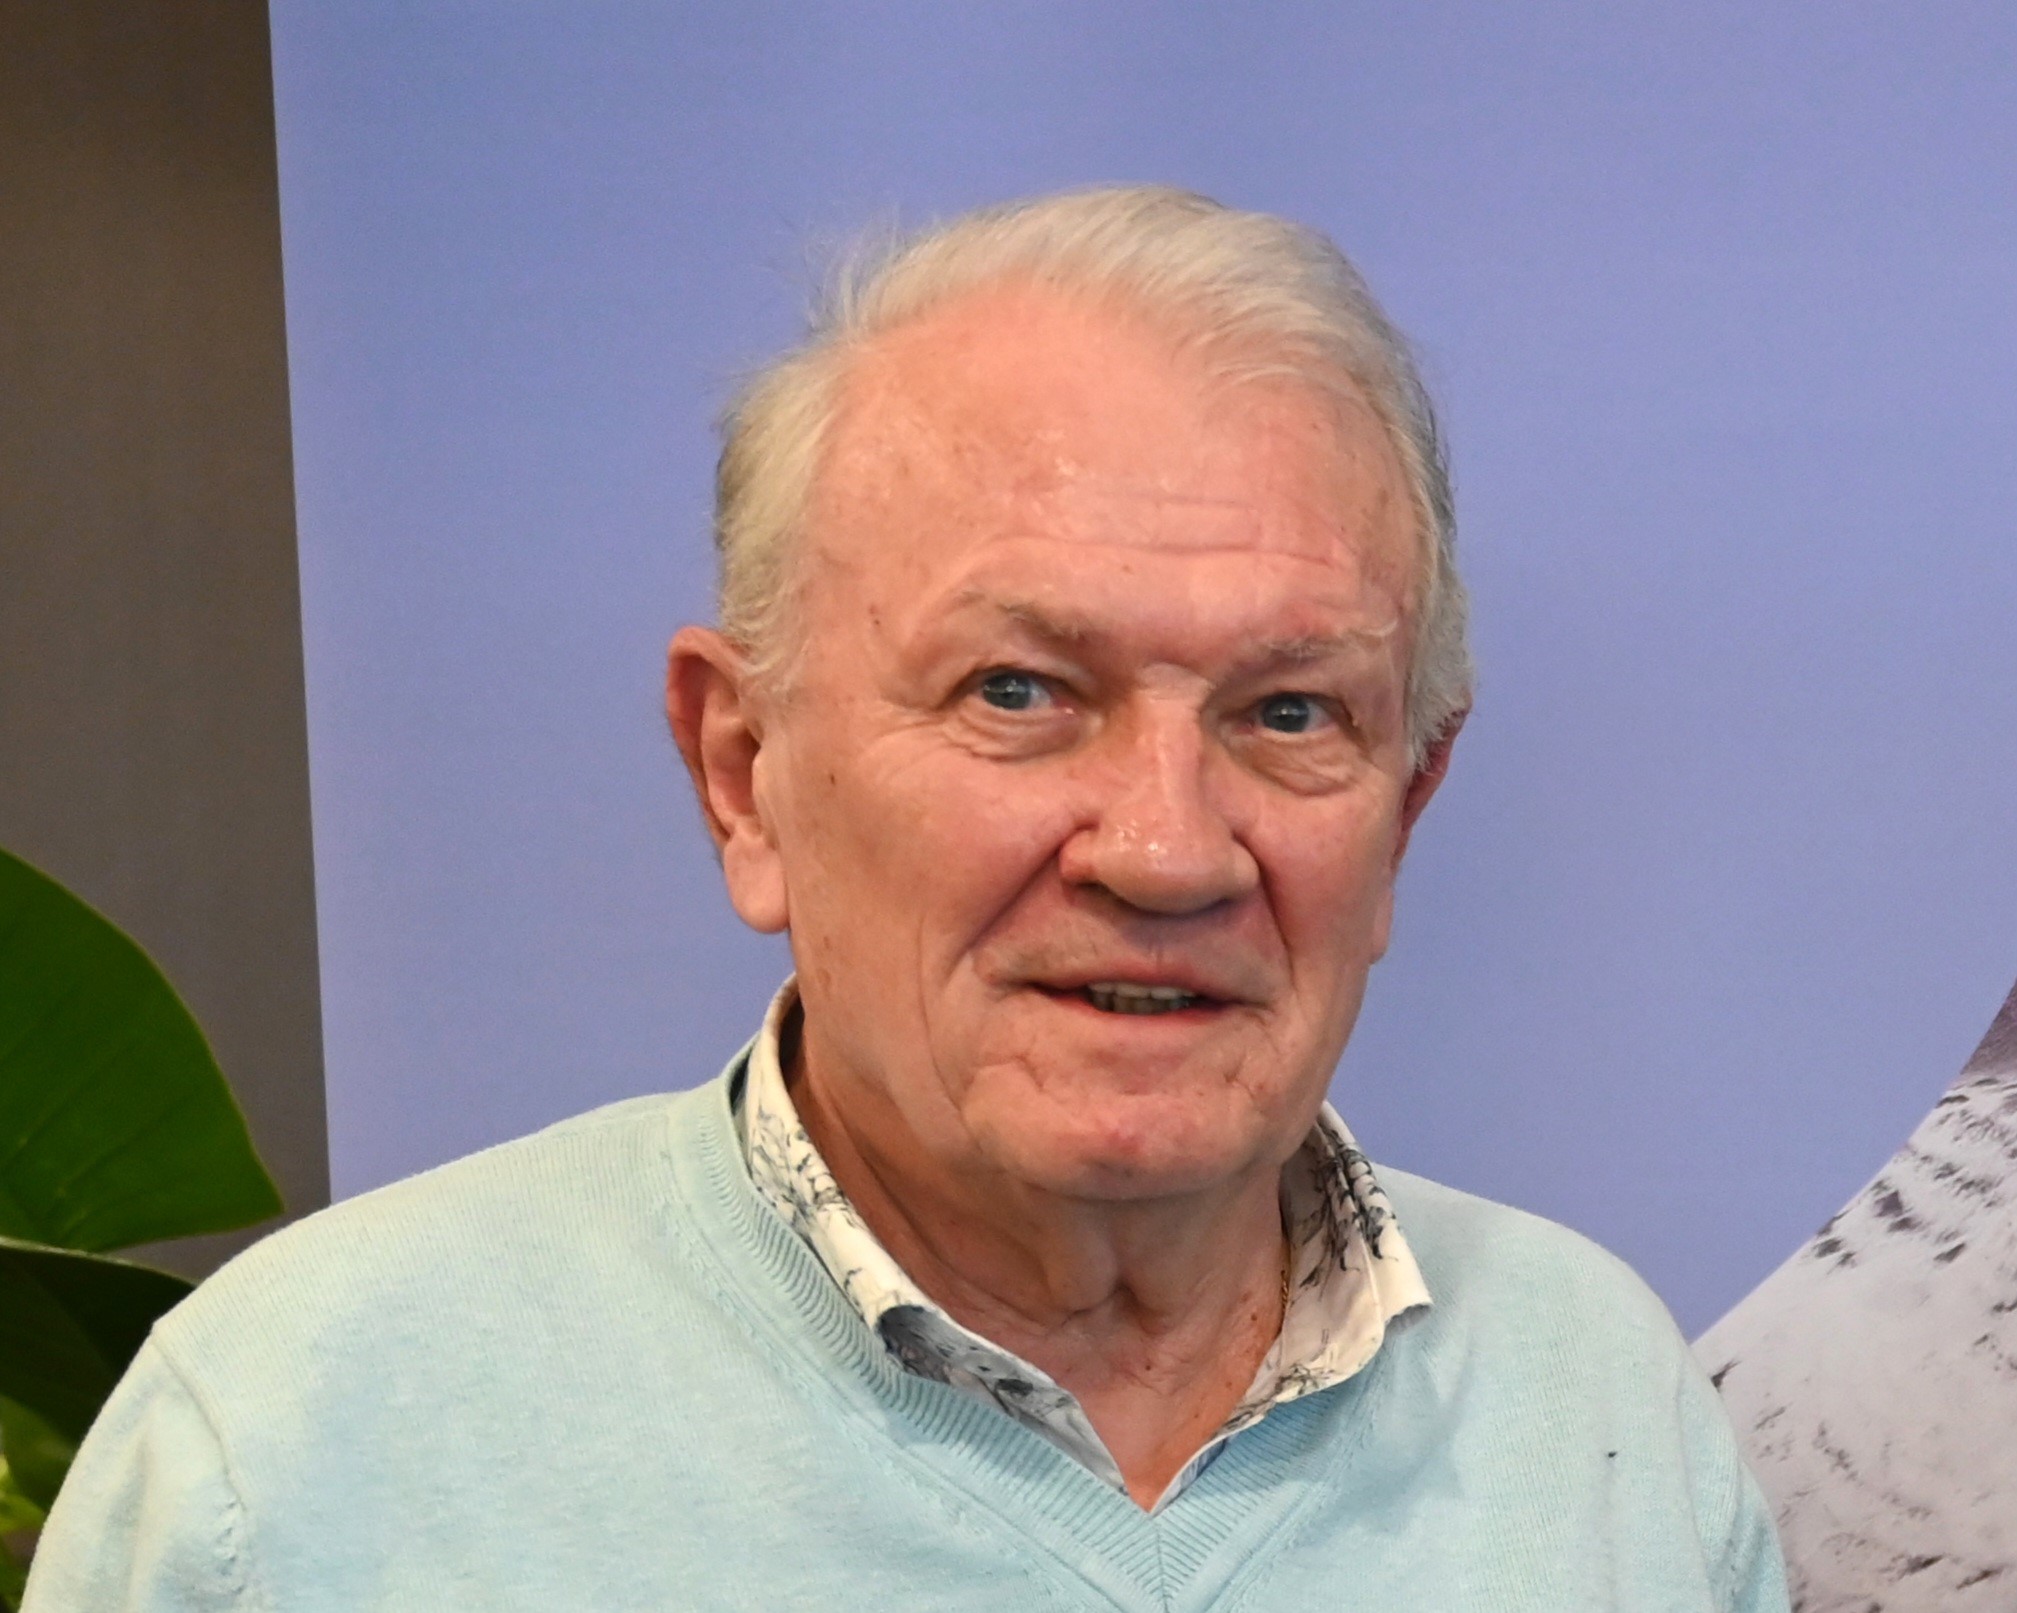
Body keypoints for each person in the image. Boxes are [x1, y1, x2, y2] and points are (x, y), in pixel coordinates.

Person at [26, 186, 1789, 1611]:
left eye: (1287, 712)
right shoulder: (297, 1451)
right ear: (743, 772)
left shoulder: (1592, 1398)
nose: (1166, 849)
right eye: (1018, 691)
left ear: (1404, 804)